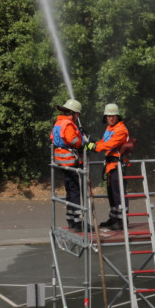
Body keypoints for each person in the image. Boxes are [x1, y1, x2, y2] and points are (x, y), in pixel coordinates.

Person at [87, 103, 131, 231]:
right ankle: (113, 219)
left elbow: (108, 145)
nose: (111, 118)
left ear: (118, 116)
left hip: (118, 166)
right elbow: (103, 142)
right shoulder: (109, 129)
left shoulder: (121, 130)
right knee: (111, 194)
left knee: (119, 194)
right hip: (110, 166)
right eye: (108, 116)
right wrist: (90, 144)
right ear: (105, 117)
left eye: (113, 116)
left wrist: (94, 147)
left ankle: (122, 221)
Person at [51, 98, 89, 231]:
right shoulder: (68, 124)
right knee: (75, 191)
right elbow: (73, 141)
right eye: (77, 114)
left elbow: (53, 138)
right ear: (73, 113)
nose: (77, 116)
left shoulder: (59, 123)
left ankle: (71, 219)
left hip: (61, 162)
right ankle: (78, 222)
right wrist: (84, 142)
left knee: (70, 191)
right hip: (70, 162)